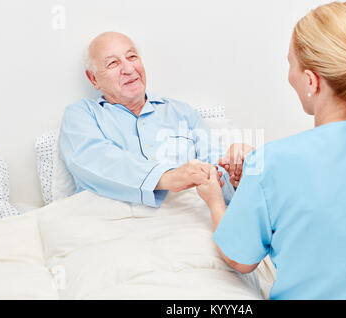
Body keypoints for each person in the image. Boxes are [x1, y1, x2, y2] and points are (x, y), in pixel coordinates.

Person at [196, 2, 346, 299]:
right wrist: (259, 187)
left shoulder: (272, 163)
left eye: (290, 64)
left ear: (311, 80)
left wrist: (215, 200)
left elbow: (239, 259)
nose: (289, 75)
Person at [59, 32, 246, 207]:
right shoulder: (81, 114)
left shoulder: (183, 113)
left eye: (132, 57)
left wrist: (238, 173)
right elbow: (96, 160)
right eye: (113, 63)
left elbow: (219, 179)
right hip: (109, 218)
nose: (129, 68)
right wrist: (165, 177)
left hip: (184, 216)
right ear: (93, 79)